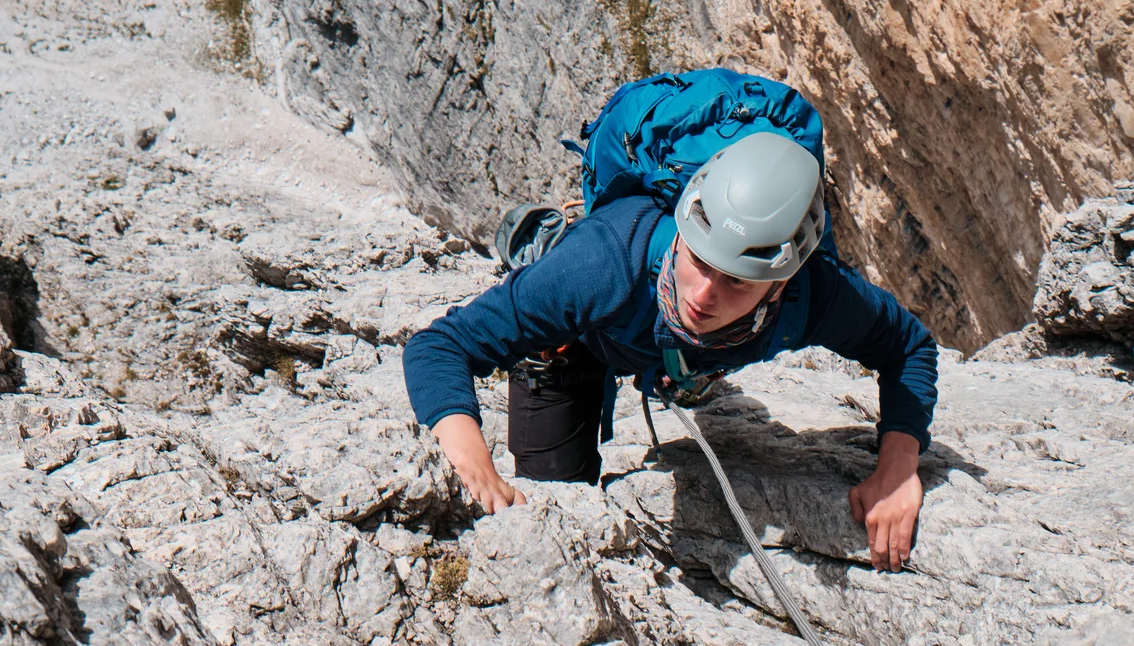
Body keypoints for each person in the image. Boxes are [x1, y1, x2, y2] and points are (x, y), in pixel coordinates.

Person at [400, 85, 938, 573]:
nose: (702, 295)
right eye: (698, 260)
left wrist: (897, 465)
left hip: (659, 335)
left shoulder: (814, 292)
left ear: (778, 287)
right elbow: (440, 346)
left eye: (736, 282)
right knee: (555, 506)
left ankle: (682, 361)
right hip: (589, 331)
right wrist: (473, 463)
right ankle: (546, 244)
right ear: (682, 227)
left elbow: (909, 346)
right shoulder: (604, 264)